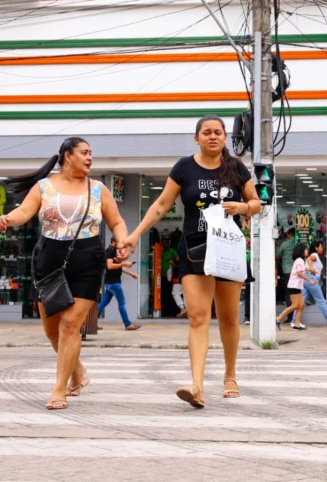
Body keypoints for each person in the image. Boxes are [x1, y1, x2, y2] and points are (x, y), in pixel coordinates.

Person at [120, 115, 261, 408]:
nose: (213, 136)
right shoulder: (184, 167)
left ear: (225, 137)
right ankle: (196, 385)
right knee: (197, 317)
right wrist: (135, 235)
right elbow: (161, 204)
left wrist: (244, 207)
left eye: (218, 132)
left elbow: (257, 203)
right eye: (206, 132)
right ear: (196, 138)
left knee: (228, 317)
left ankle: (230, 376)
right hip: (194, 248)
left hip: (228, 249)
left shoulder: (235, 168)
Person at [0, 137, 130, 410]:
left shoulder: (98, 189)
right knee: (51, 330)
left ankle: (59, 389)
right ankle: (77, 369)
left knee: (70, 325)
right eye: (84, 153)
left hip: (88, 261)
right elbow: (24, 212)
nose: (90, 157)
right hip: (49, 261)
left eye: (91, 153)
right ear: (67, 156)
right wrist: (8, 219)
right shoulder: (43, 187)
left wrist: (123, 241)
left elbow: (116, 221)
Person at [99, 237, 141, 331]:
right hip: (114, 283)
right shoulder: (110, 250)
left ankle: (91, 323)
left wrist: (131, 273)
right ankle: (128, 324)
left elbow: (117, 267)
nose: (121, 245)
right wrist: (124, 264)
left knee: (104, 302)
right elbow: (110, 266)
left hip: (110, 282)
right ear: (113, 242)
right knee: (122, 303)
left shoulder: (113, 250)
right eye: (119, 242)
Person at [275, 244, 314, 330]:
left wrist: (310, 269)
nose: (307, 251)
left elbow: (302, 269)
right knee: (295, 305)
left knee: (301, 305)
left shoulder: (300, 260)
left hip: (296, 286)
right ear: (301, 251)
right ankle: (278, 319)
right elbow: (299, 273)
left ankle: (297, 324)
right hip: (294, 286)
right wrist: (309, 280)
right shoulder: (300, 260)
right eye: (305, 249)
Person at [303, 240, 327, 327]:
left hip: (307, 279)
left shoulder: (315, 256)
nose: (322, 248)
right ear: (316, 248)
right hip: (312, 279)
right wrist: (312, 268)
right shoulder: (314, 255)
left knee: (301, 301)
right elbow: (308, 258)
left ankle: (293, 321)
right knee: (321, 301)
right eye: (321, 246)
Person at [276, 227, 298, 318]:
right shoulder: (298, 243)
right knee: (297, 294)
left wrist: (283, 257)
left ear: (290, 234)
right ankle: (295, 317)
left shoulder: (284, 244)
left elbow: (277, 256)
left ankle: (290, 317)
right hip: (297, 271)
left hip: (287, 271)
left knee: (289, 294)